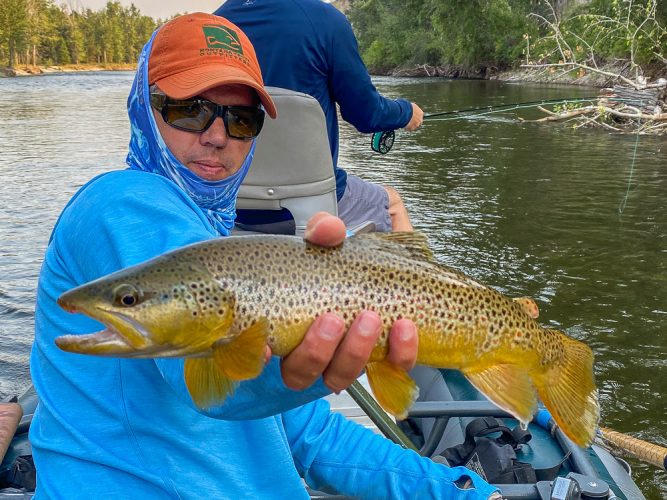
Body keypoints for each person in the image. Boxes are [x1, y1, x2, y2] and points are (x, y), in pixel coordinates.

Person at [29, 13, 498, 499]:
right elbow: (200, 378)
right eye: (188, 110)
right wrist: (278, 361)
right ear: (143, 109)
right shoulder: (119, 201)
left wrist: (464, 491)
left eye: (241, 118)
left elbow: (312, 438)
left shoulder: (234, 251)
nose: (217, 135)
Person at [215, 0, 423, 233]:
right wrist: (406, 113)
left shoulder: (214, 26)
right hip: (310, 205)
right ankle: (414, 271)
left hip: (226, 200)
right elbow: (367, 115)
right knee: (392, 204)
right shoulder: (325, 21)